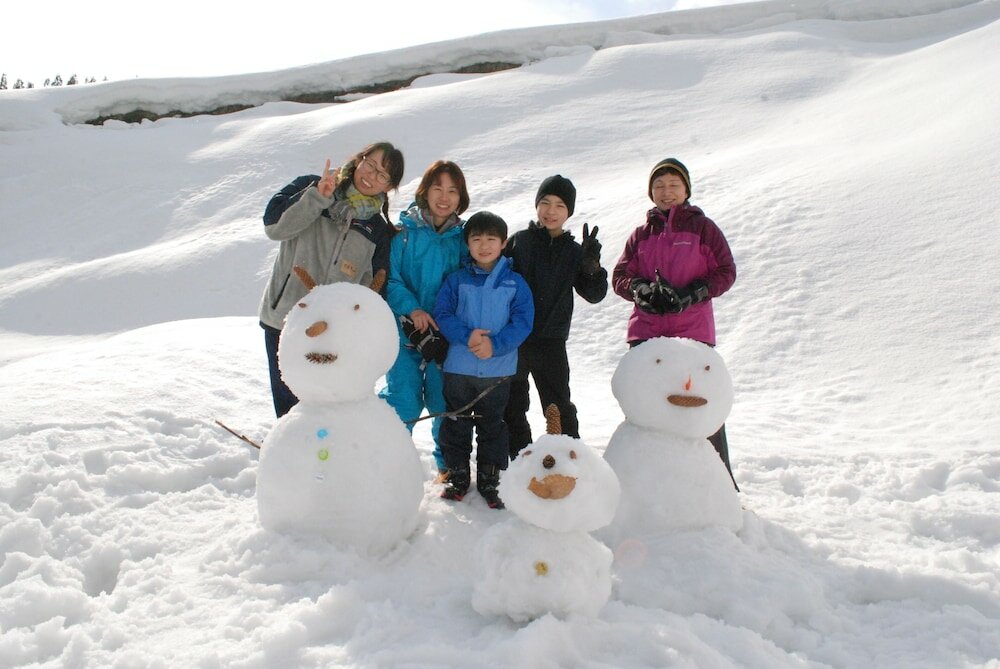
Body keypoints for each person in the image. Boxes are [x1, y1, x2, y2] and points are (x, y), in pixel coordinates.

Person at [611, 157, 738, 487]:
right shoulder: (641, 235)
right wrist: (640, 290)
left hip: (692, 334)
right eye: (659, 186)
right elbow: (620, 276)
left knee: (701, 411)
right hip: (647, 334)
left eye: (673, 185)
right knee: (644, 408)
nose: (666, 192)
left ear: (686, 190)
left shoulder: (703, 229)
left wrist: (693, 293)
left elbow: (726, 272)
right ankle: (642, 486)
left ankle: (720, 487)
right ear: (651, 192)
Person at [258, 142, 405, 417]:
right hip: (286, 319)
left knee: (327, 409)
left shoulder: (377, 231)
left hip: (334, 335)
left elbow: (373, 292)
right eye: (370, 165)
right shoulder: (312, 186)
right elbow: (274, 228)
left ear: (389, 186)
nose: (371, 176)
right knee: (289, 411)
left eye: (382, 175)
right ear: (359, 160)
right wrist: (317, 198)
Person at [432, 212, 534, 508]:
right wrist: (467, 336)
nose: (484, 245)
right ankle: (458, 476)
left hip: (497, 371)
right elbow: (443, 314)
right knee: (457, 423)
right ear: (467, 244)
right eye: (476, 239)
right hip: (459, 369)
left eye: (491, 239)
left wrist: (495, 345)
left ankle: (490, 479)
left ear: (503, 243)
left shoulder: (515, 283)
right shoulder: (456, 280)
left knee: (493, 426)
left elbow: (522, 322)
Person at [502, 175, 608, 459]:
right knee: (513, 405)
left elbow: (594, 294)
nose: (551, 211)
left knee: (558, 406)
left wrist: (591, 266)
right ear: (537, 205)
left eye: (560, 205)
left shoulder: (573, 252)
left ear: (568, 212)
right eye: (545, 203)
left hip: (551, 341)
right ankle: (520, 462)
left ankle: (570, 462)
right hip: (515, 338)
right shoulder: (520, 242)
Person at [381, 160, 471, 472]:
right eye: (437, 188)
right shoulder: (404, 232)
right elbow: (391, 279)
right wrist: (413, 309)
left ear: (460, 197)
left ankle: (447, 469)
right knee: (402, 402)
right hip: (404, 336)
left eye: (452, 191)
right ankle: (388, 466)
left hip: (443, 341)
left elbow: (468, 284)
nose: (444, 197)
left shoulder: (463, 239)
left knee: (441, 404)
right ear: (425, 191)